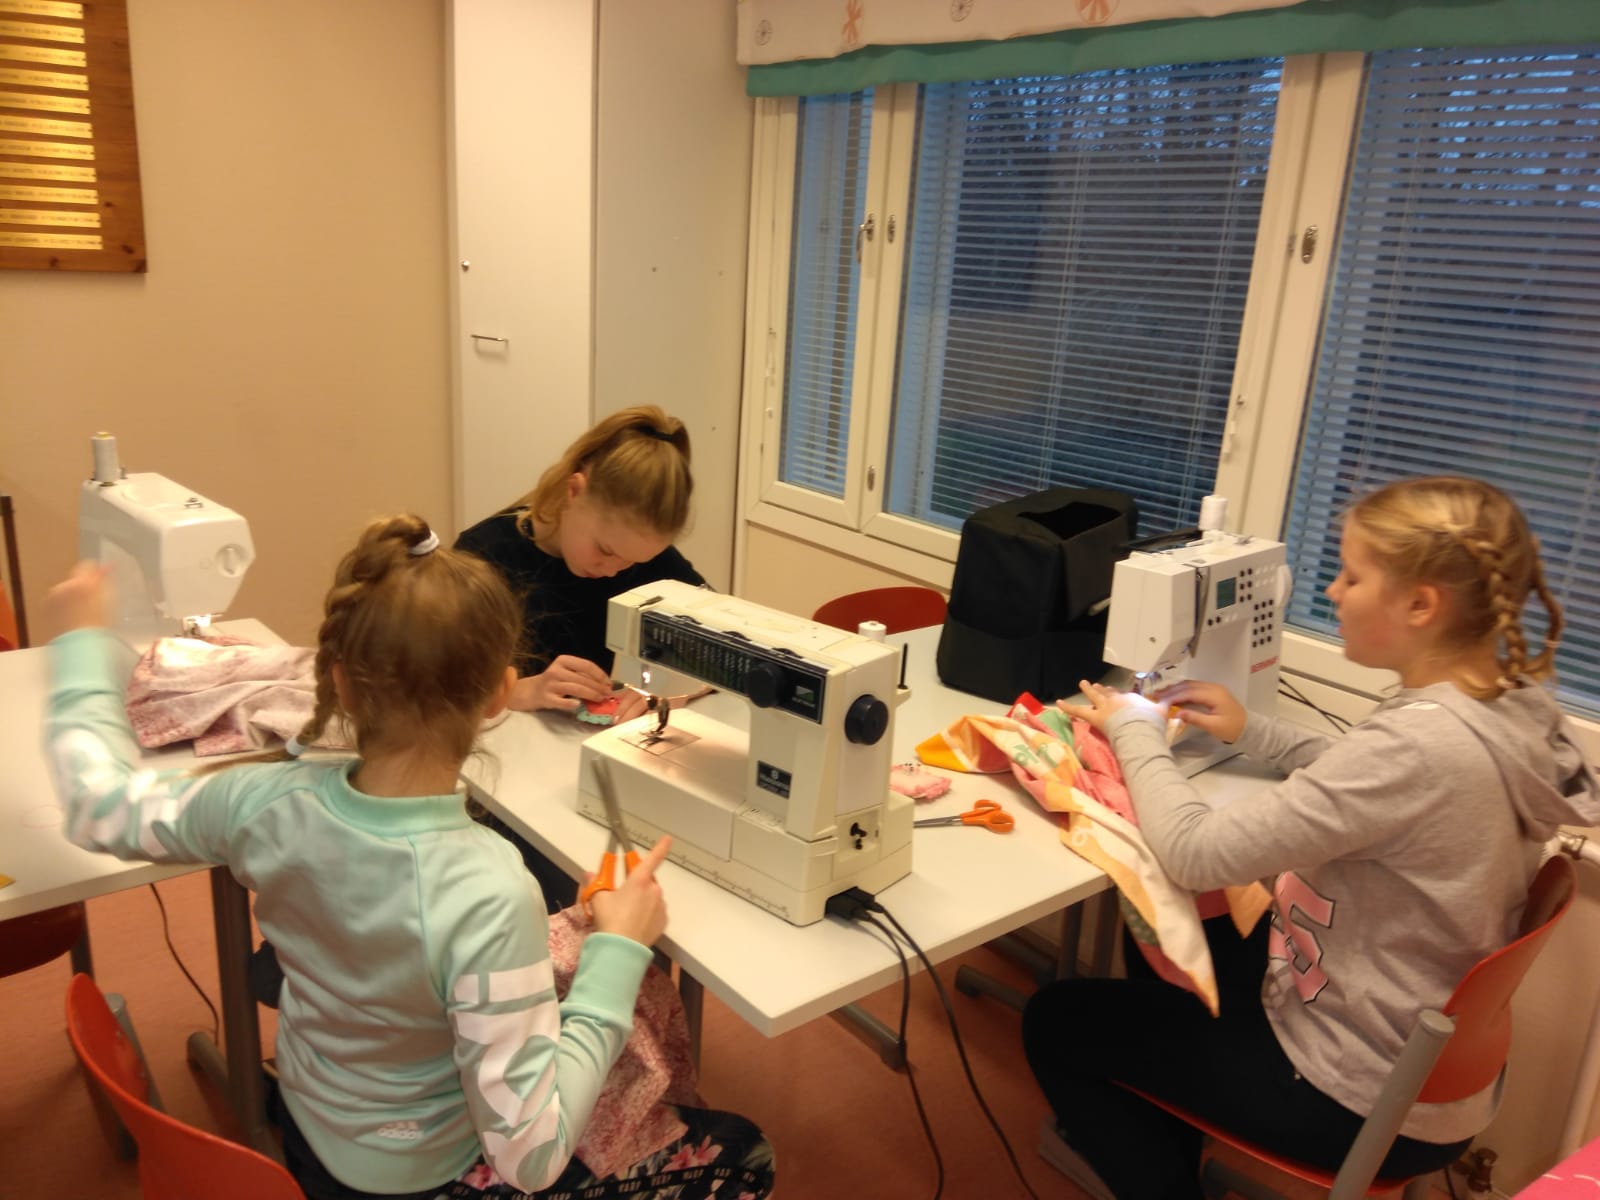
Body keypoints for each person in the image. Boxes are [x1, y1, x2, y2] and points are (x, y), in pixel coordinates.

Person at [44, 515, 775, 1200]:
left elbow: (98, 806)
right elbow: (529, 1156)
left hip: (311, 1122)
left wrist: (79, 644)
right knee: (743, 1153)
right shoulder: (487, 889)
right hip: (417, 1177)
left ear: (338, 678)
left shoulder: (263, 801)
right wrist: (618, 950)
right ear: (500, 694)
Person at [1022, 476, 1600, 1200]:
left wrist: (1133, 730)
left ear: (1421, 605)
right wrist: (1253, 731)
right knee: (1169, 936)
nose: (1332, 591)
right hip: (1417, 1064)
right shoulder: (1501, 706)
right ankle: (1165, 1144)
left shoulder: (1418, 748)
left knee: (1054, 1019)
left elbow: (1194, 852)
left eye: (1352, 576)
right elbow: (1382, 779)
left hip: (1351, 1094)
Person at [455, 405, 704, 725]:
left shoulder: (648, 560)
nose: (614, 569)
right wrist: (517, 691)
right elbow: (435, 688)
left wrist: (664, 689)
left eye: (634, 561)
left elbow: (729, 649)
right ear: (574, 491)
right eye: (605, 550)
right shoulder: (484, 557)